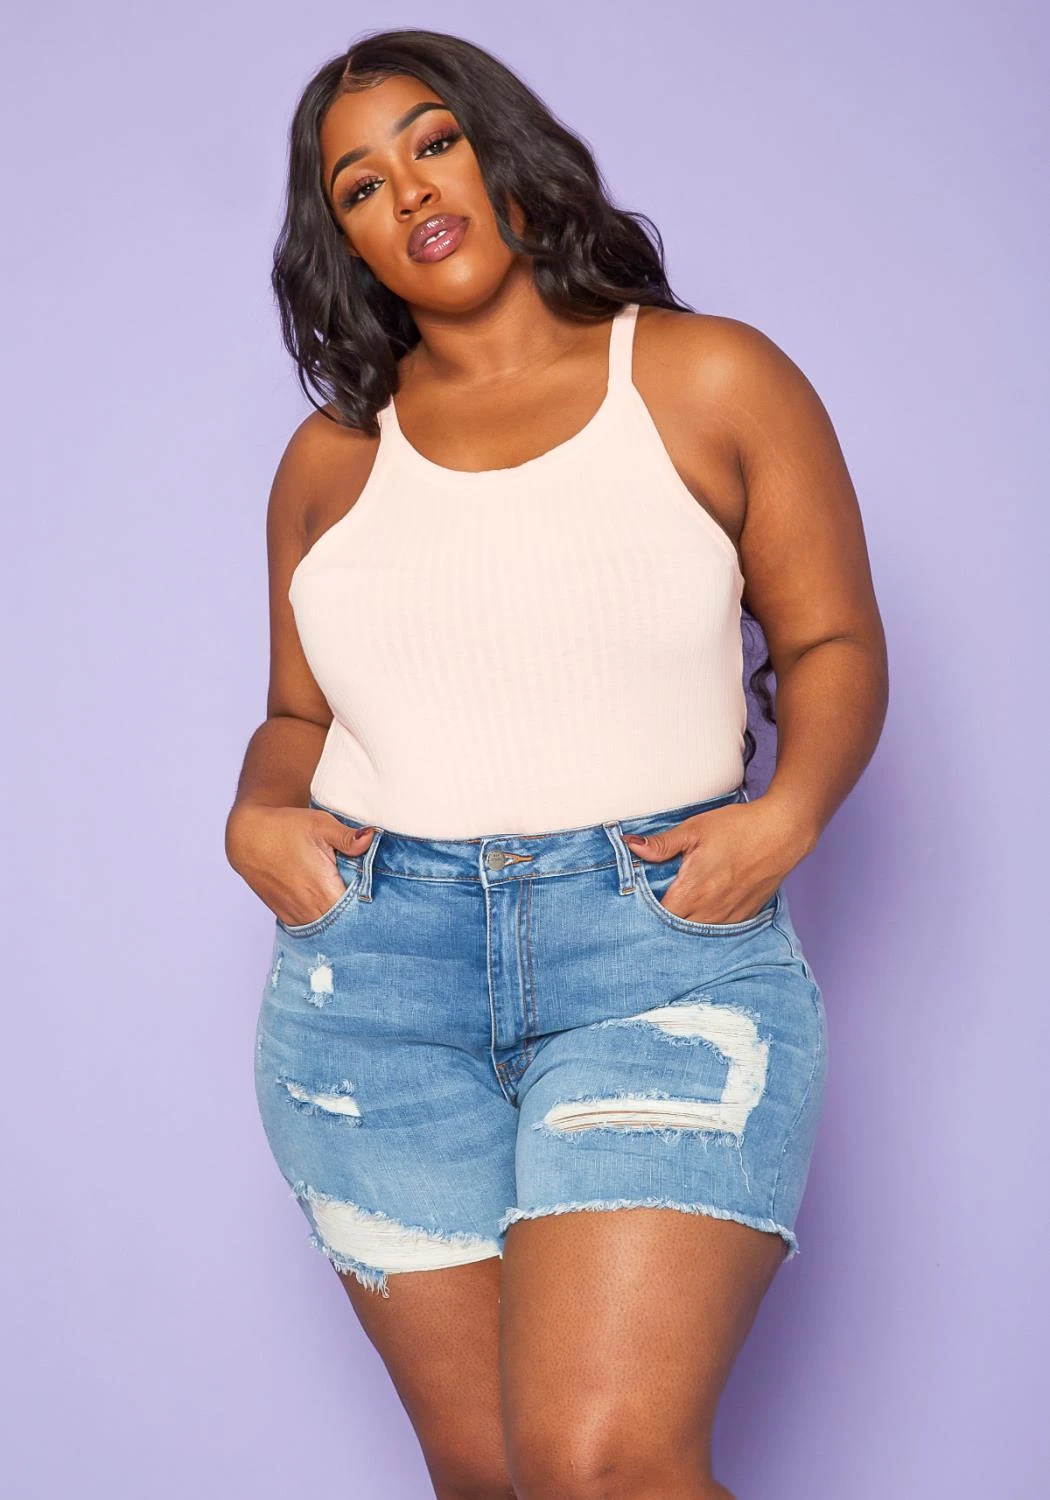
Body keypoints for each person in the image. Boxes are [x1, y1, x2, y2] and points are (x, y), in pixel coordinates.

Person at [224, 27, 888, 1500]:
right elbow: (294, 714)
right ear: (341, 239)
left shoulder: (707, 376)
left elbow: (832, 637)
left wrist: (787, 816)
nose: (408, 190)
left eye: (433, 142)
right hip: (373, 991)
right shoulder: (331, 459)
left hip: (656, 960)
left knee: (601, 1466)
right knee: (495, 1480)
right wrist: (258, 809)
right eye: (358, 184)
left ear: (503, 152)